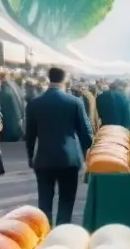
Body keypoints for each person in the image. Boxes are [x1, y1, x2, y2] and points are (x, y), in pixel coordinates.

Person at [25, 67, 94, 226]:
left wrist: (30, 155)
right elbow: (86, 132)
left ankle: (45, 230)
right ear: (65, 79)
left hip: (43, 158)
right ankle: (62, 229)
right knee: (66, 200)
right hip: (69, 158)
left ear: (49, 79)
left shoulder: (35, 103)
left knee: (44, 199)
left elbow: (29, 134)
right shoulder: (75, 102)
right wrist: (87, 152)